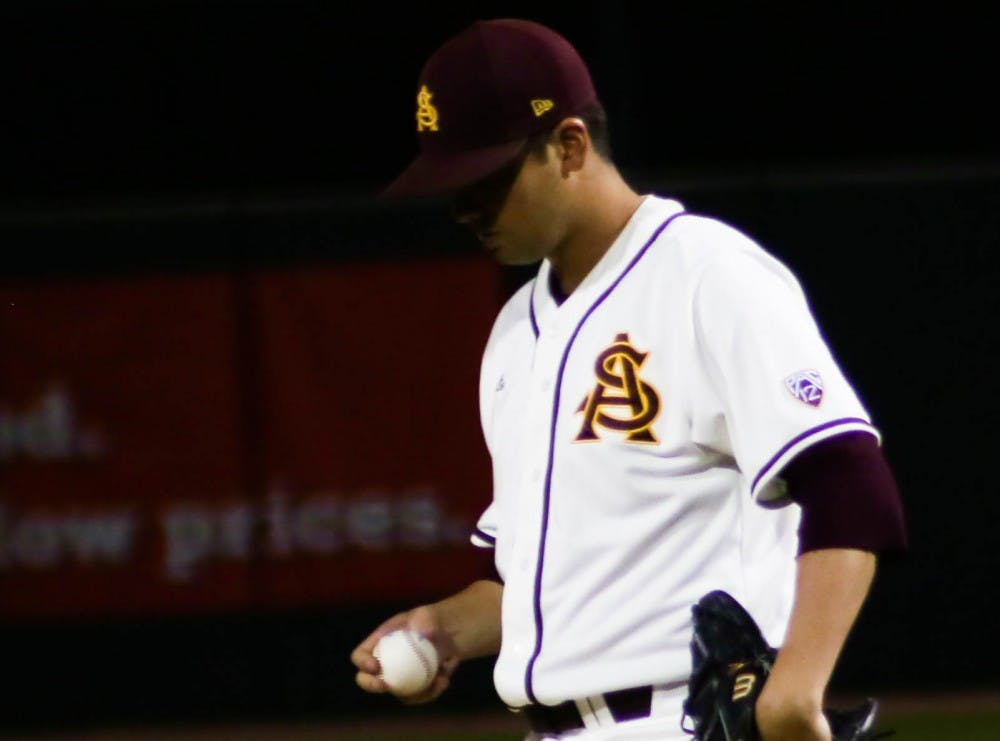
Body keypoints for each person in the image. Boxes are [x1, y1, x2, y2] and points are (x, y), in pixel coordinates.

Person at [352, 18, 907, 741]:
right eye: (454, 187)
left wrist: (794, 690)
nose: (465, 209)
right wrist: (446, 627)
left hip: (687, 719)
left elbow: (852, 485)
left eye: (486, 182)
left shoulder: (707, 275)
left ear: (570, 146)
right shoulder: (516, 330)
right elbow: (533, 584)